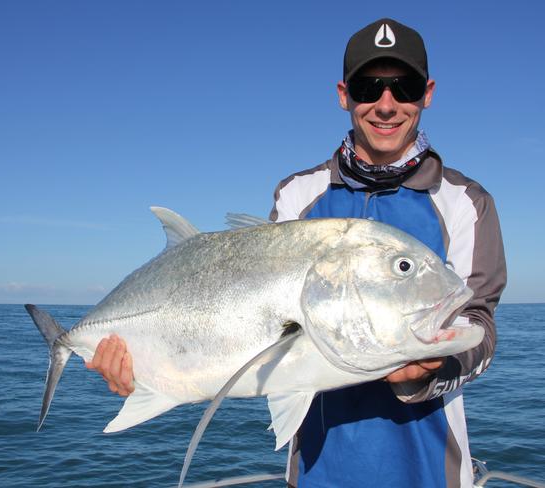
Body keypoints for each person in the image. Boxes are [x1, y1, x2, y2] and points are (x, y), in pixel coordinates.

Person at [86, 18, 507, 488]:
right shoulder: (297, 194)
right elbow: (246, 316)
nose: (385, 105)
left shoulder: (466, 203)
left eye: (402, 87)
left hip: (429, 473)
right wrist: (148, 370)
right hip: (313, 475)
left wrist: (429, 372)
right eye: (368, 87)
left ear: (426, 93)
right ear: (343, 94)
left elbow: (478, 329)